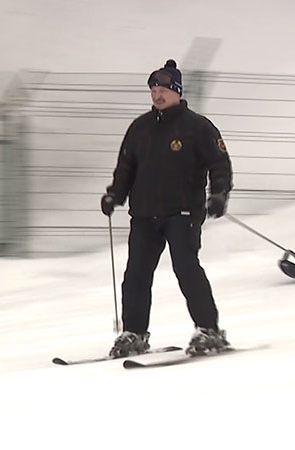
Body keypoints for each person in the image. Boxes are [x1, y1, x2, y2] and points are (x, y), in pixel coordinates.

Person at [100, 59, 233, 358]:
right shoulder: (140, 128)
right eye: (153, 90)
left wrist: (220, 194)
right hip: (145, 214)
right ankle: (133, 333)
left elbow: (219, 164)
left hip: (183, 213)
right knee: (135, 274)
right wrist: (114, 195)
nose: (157, 95)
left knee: (186, 268)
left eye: (163, 90)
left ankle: (208, 331)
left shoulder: (198, 127)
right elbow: (125, 169)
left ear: (177, 92)